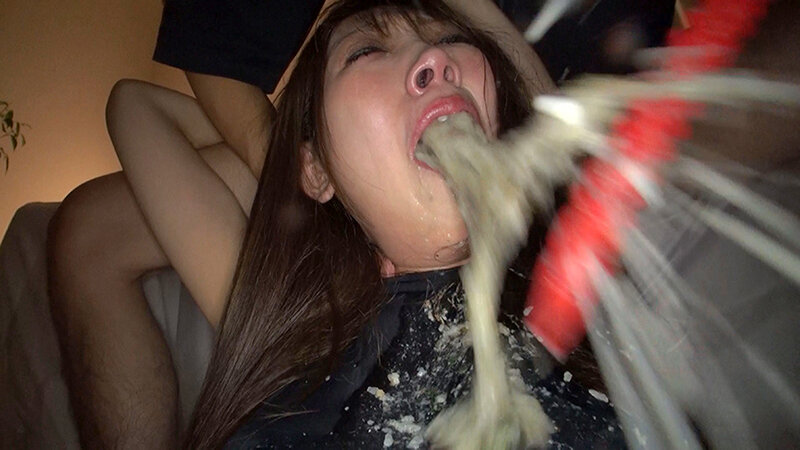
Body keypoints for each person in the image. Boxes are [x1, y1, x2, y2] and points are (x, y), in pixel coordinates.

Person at [106, 0, 620, 448]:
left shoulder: (592, 265)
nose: (435, 60)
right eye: (367, 52)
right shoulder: (305, 343)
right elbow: (133, 104)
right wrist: (302, 157)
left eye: (451, 40)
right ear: (316, 169)